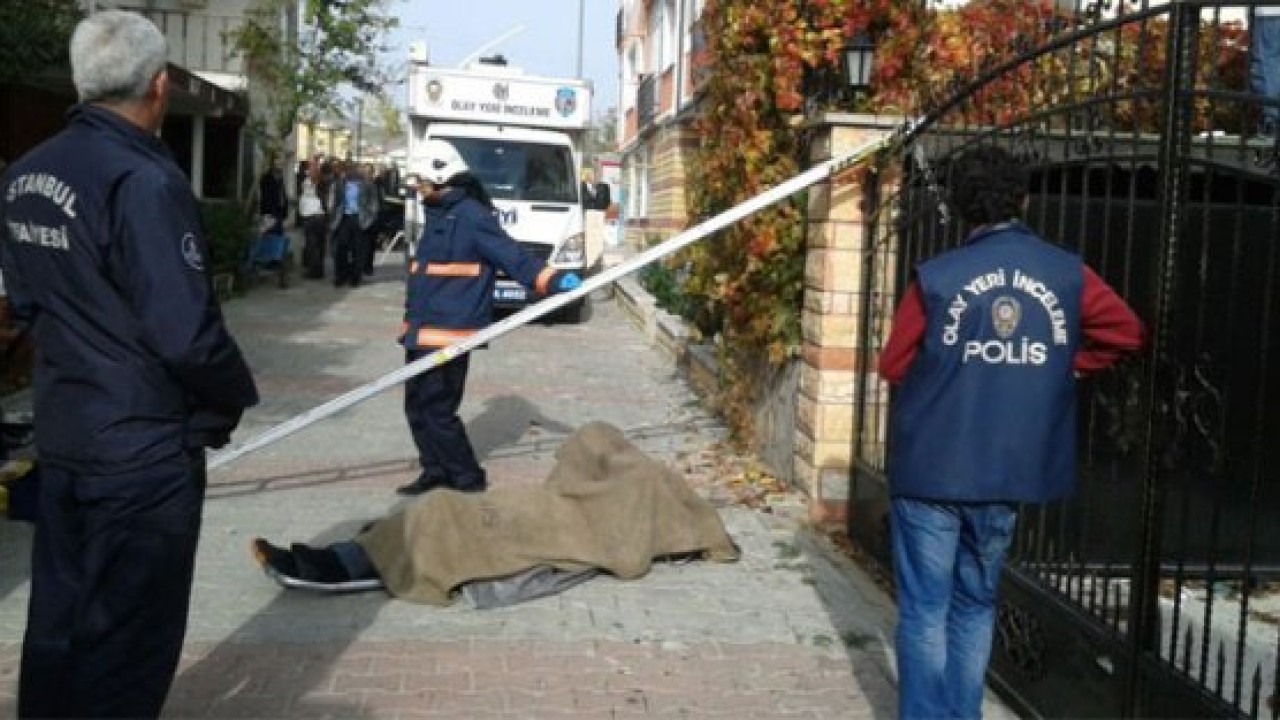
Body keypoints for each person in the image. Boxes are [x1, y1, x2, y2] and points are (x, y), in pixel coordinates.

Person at [0, 11, 259, 718]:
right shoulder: (144, 181)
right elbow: (186, 333)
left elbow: (25, 304)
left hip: (67, 435)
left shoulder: (26, 174)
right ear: (159, 85)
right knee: (128, 643)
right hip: (141, 454)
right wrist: (232, 398)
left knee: (59, 623)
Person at [877, 145, 1143, 720]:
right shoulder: (1067, 274)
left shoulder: (937, 278)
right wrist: (1061, 364)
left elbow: (894, 364)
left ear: (959, 206)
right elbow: (1124, 332)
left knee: (925, 609)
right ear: (1022, 199)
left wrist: (958, 366)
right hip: (1005, 470)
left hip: (930, 468)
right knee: (976, 604)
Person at [395, 138, 582, 496]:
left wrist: (553, 280)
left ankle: (467, 478)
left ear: (440, 175)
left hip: (448, 335)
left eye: (420, 179)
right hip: (422, 330)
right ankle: (435, 470)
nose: (416, 187)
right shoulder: (437, 213)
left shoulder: (471, 216)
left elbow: (513, 256)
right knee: (417, 407)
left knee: (438, 410)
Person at [326, 160, 378, 287]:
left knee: (358, 250)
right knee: (340, 249)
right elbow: (332, 202)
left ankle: (355, 277)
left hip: (360, 219)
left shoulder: (367, 185)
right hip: (343, 219)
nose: (350, 172)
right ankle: (340, 276)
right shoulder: (339, 184)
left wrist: (369, 220)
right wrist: (332, 215)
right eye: (347, 169)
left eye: (353, 169)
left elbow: (374, 203)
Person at [1251, 5, 1280, 138]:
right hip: (1270, 14)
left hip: (1269, 13)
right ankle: (1271, 119)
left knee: (1265, 66)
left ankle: (1272, 121)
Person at [297, 159, 328, 279]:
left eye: (310, 169)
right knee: (319, 245)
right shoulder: (316, 182)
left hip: (312, 216)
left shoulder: (312, 183)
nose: (308, 171)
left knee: (313, 245)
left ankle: (314, 271)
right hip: (318, 216)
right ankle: (319, 270)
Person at [258, 160, 289, 235]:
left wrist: (284, 210)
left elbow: (282, 194)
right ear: (272, 166)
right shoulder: (266, 179)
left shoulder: (280, 178)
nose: (281, 165)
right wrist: (270, 214)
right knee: (270, 235)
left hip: (280, 212)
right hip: (271, 213)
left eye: (281, 164)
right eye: (278, 164)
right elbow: (266, 198)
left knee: (278, 235)